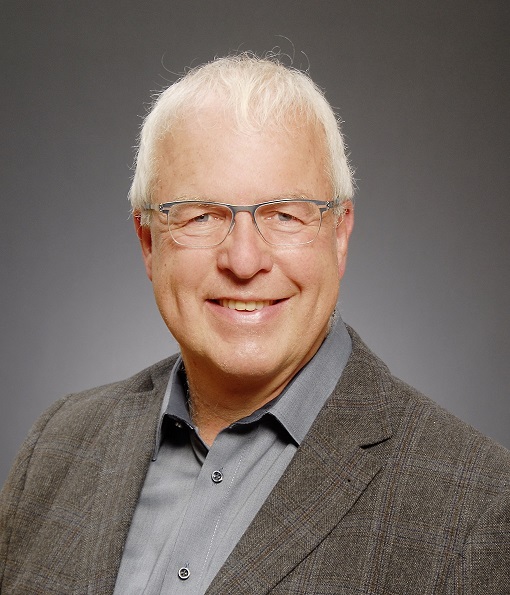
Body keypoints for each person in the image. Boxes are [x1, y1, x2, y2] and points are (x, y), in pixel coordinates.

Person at [1, 53, 509, 595]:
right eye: (201, 215)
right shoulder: (56, 447)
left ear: (339, 235)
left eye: (285, 215)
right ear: (148, 242)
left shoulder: (479, 508)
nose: (244, 262)